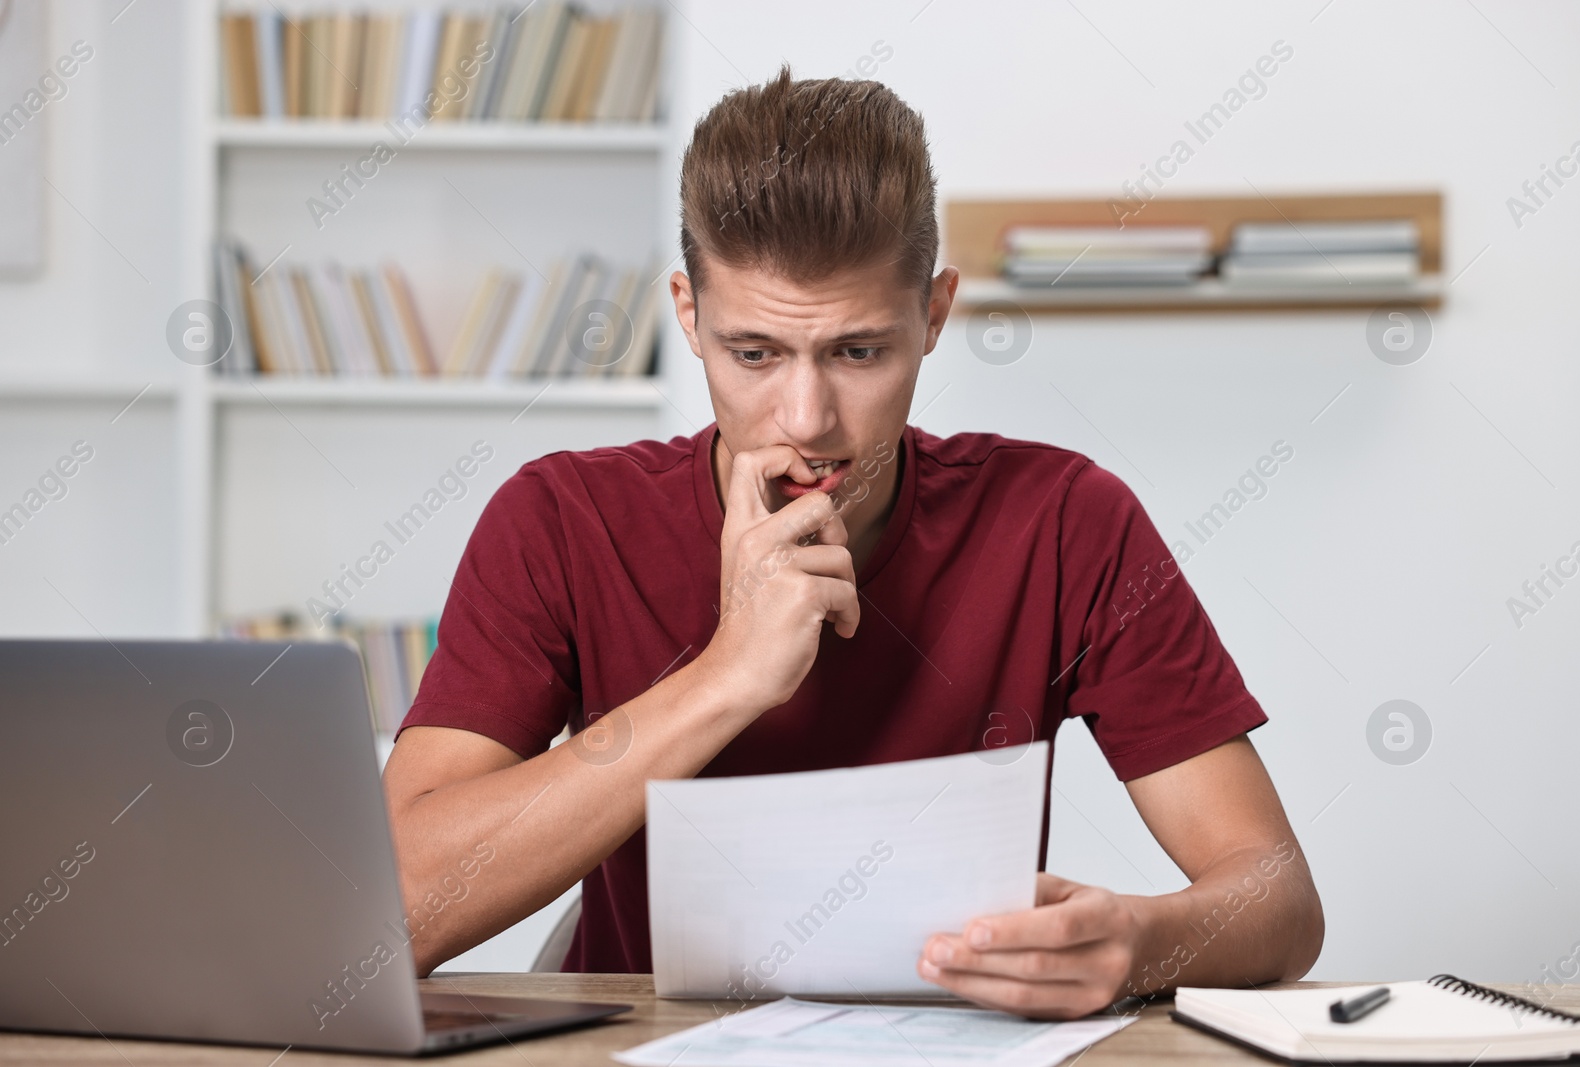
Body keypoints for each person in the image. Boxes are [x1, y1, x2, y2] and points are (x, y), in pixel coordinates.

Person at [381, 67, 1323, 1019]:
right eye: (754, 354)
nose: (807, 417)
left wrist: (1139, 943)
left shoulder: (1066, 519)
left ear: (936, 315)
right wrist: (730, 674)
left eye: (858, 352)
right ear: (688, 314)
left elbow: (1278, 896)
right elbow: (399, 912)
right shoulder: (560, 520)